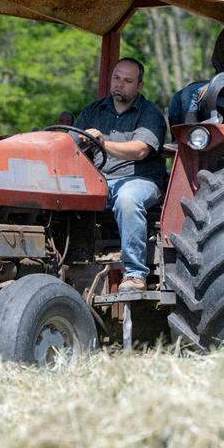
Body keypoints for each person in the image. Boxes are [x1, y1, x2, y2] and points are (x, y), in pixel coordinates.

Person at [75, 57, 168, 292]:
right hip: (100, 179)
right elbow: (72, 142)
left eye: (128, 80)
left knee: (128, 199)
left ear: (139, 86)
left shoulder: (150, 114)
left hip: (140, 179)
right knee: (65, 194)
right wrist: (81, 141)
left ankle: (135, 273)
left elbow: (140, 150)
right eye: (116, 78)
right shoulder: (93, 111)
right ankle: (69, 264)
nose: (120, 84)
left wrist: (102, 142)